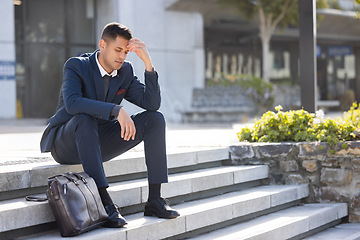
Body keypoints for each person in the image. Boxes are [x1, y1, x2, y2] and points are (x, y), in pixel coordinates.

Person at [40, 22, 179, 228]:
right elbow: (73, 103)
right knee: (84, 118)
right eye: (117, 50)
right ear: (102, 44)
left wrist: (148, 64)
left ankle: (155, 200)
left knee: (155, 119)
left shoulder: (124, 71)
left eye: (125, 52)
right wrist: (115, 110)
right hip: (67, 143)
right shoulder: (76, 65)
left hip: (99, 141)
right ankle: (105, 203)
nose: (122, 56)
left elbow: (151, 104)